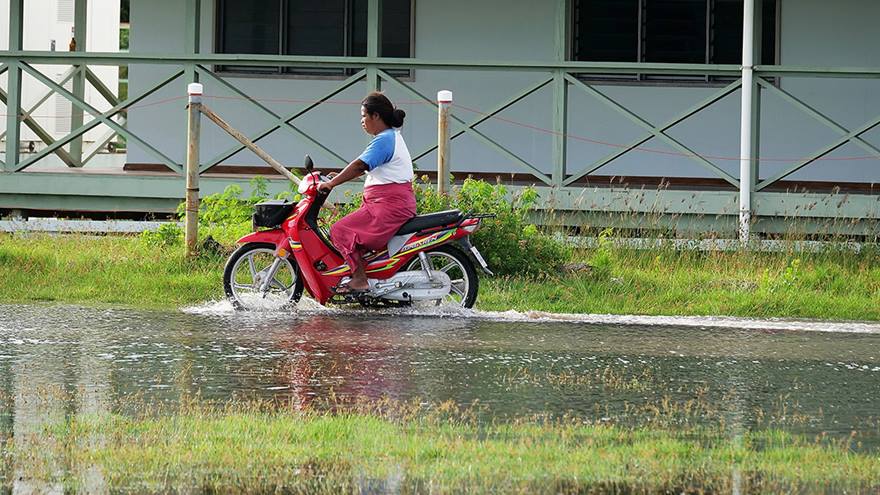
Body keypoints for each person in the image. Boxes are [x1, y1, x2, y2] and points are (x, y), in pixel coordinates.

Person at [317, 92, 416, 294]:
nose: (362, 121)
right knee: (354, 237)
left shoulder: (384, 139)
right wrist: (339, 176)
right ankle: (366, 276)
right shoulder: (390, 137)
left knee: (340, 231)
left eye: (364, 116)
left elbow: (360, 165)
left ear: (376, 116)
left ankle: (360, 279)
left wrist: (333, 183)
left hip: (388, 207)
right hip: (387, 204)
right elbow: (376, 172)